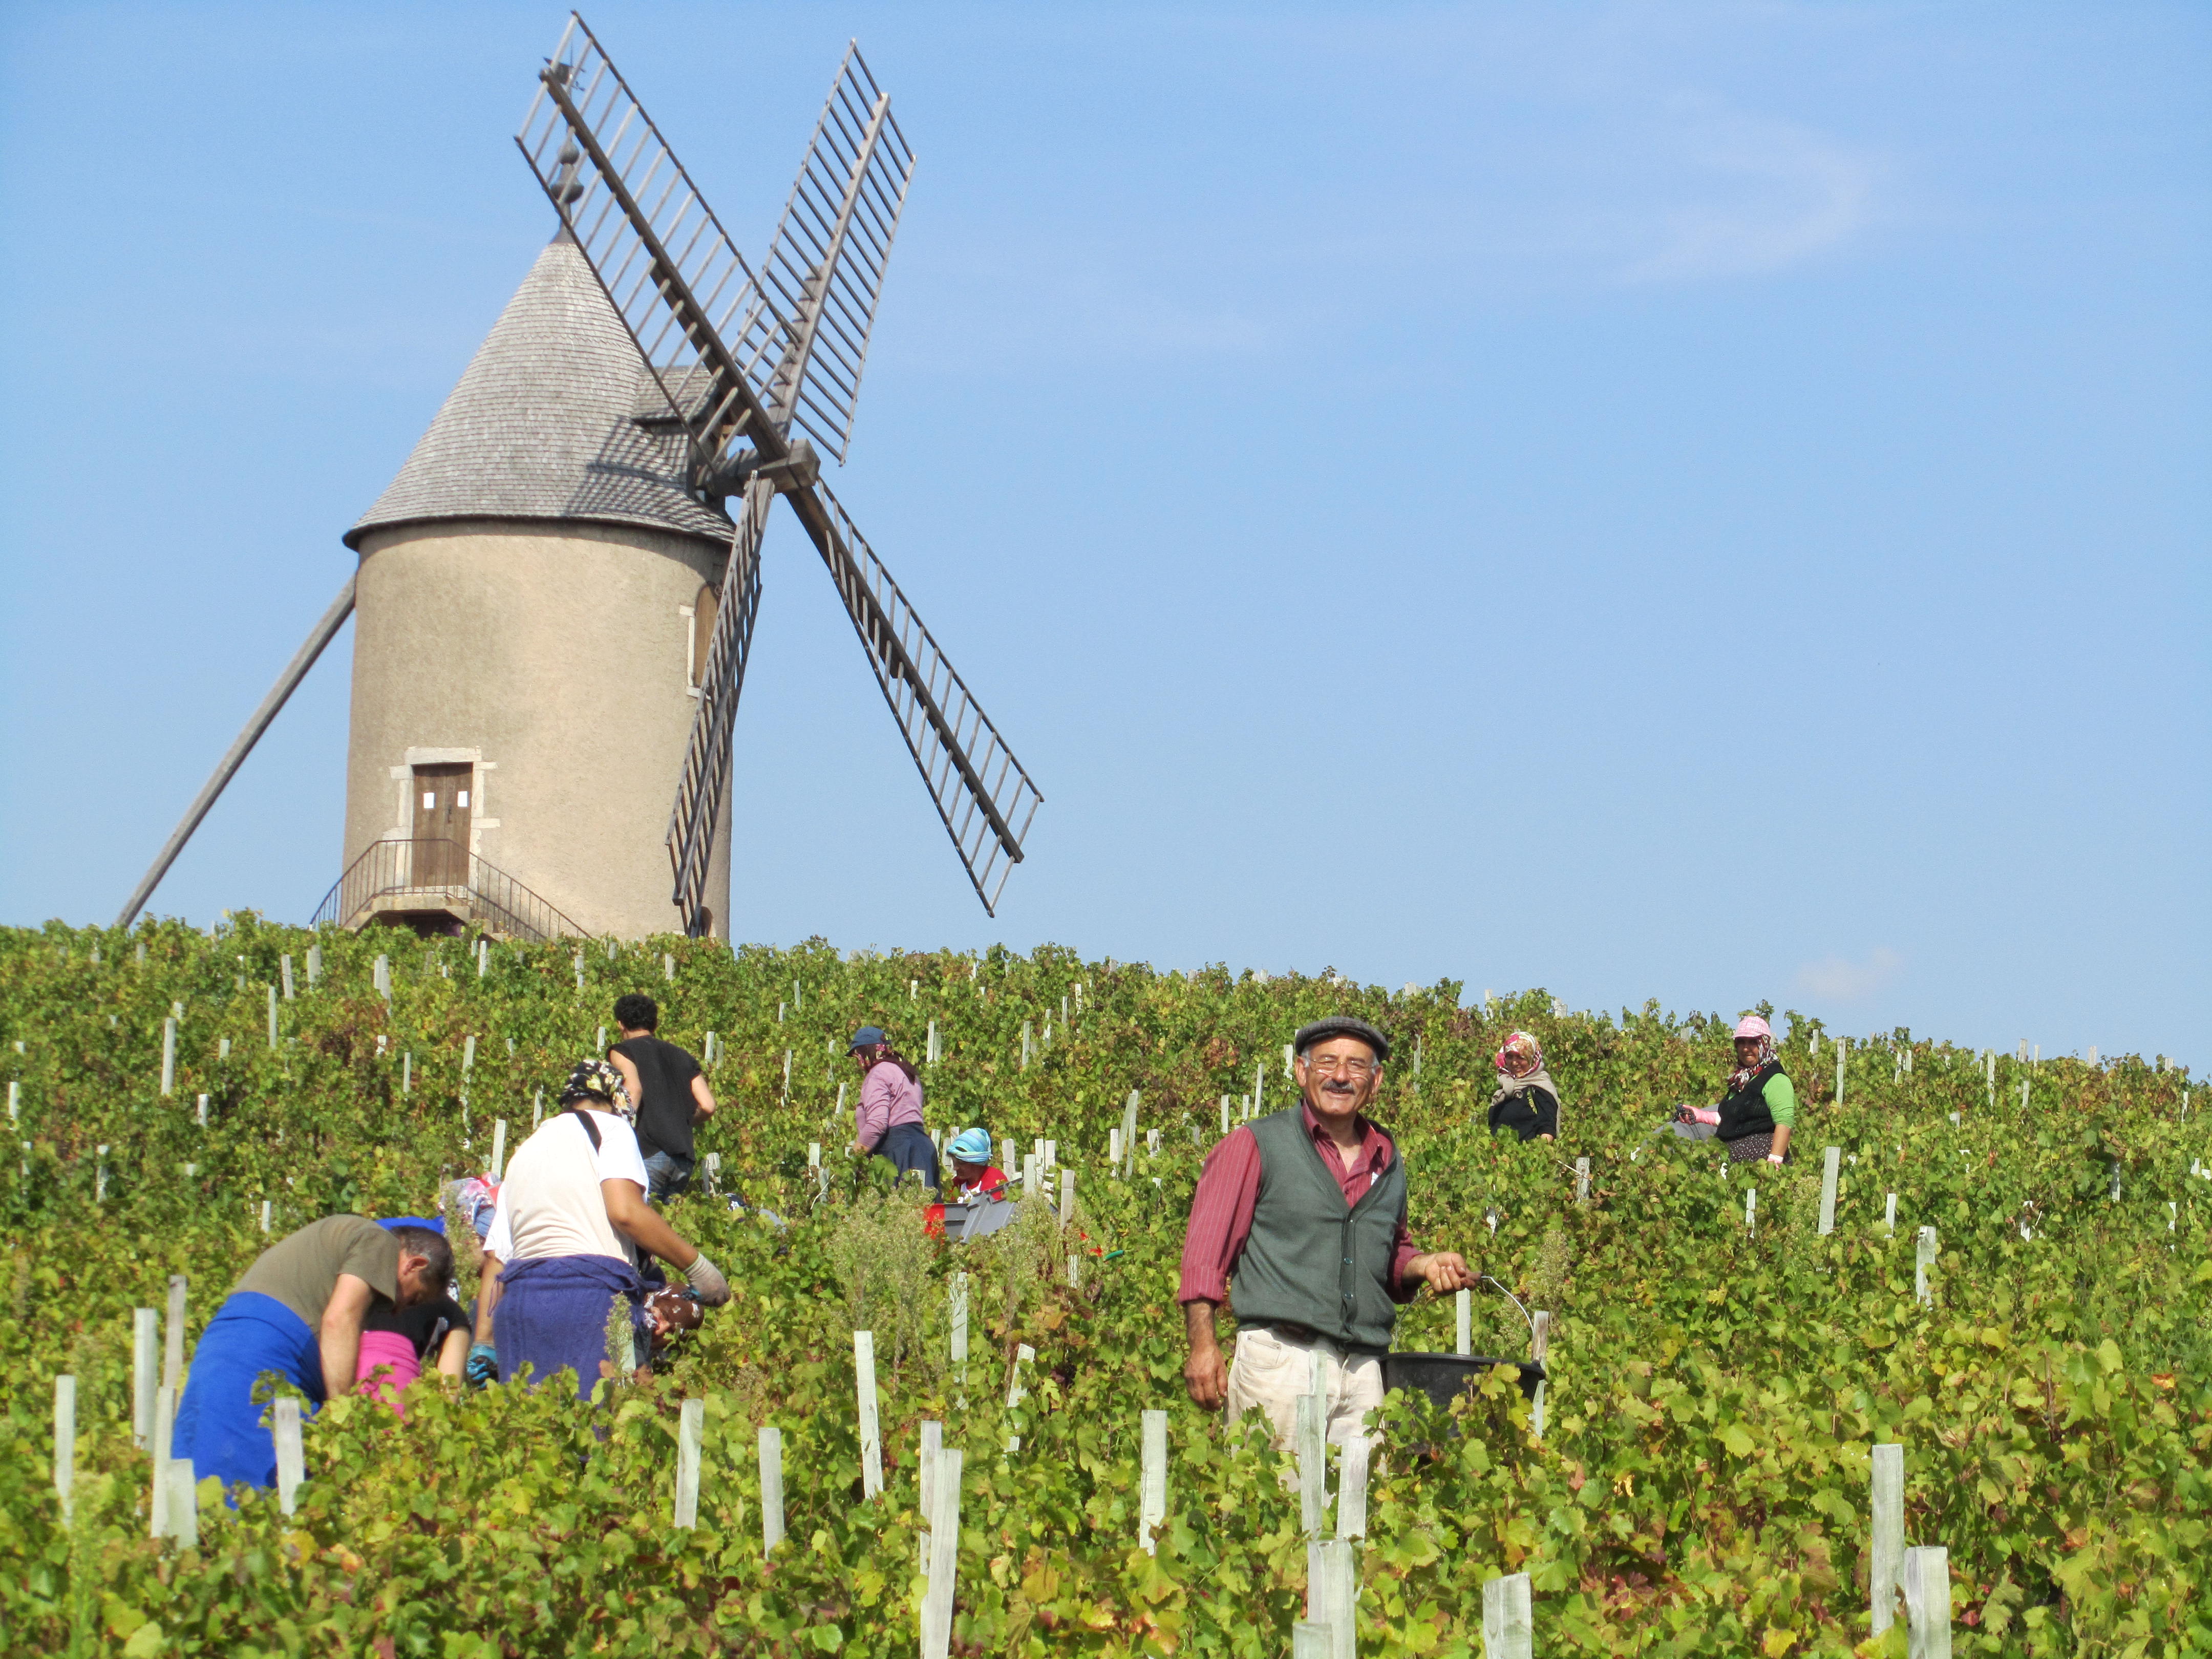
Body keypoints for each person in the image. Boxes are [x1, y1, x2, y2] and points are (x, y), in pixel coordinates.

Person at [1179, 1016, 1475, 1450]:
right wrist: (1202, 1345)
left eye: (1357, 1066)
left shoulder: (1387, 1159)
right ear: (1301, 1071)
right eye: (1327, 1063)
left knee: (1361, 1512)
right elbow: (1206, 1255)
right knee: (1274, 1505)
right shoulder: (1255, 1144)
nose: (1340, 1076)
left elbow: (1387, 1255)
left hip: (1364, 1372)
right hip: (1280, 1363)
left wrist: (1424, 1265)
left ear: (1375, 1082)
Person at [479, 1059, 732, 1397]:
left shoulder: (526, 1150)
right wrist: (698, 1268)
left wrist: (483, 1341)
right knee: (606, 1431)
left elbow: (497, 1258)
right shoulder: (610, 1129)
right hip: (588, 1300)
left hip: (521, 1306)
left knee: (535, 1435)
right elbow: (625, 1211)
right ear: (617, 1101)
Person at [172, 1215, 450, 1491]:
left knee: (204, 1472)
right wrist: (342, 1416)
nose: (400, 1310)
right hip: (262, 1351)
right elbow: (340, 1319)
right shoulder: (378, 1242)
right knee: (249, 1487)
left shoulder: (343, 1243)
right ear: (415, 1265)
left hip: (238, 1341)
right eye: (414, 1299)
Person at [606, 994, 715, 1203]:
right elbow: (708, 1106)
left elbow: (634, 1091)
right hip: (683, 1159)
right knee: (665, 1226)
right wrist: (680, 1123)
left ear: (621, 1024)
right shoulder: (683, 1056)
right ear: (655, 1023)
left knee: (634, 1224)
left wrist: (616, 1136)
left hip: (648, 1152)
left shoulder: (623, 1051)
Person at [1681, 1014, 1797, 1164]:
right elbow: (1733, 1118)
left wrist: (1774, 1162)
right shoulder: (1743, 1079)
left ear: (1764, 1044)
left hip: (1761, 1165)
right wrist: (1700, 1116)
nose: (1746, 1048)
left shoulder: (1775, 1078)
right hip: (1735, 1166)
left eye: (1753, 1043)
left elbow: (1784, 1122)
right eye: (1741, 1042)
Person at [355, 1282, 471, 1414]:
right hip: (398, 1379)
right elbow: (447, 1396)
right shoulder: (451, 1311)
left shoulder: (358, 1285)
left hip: (349, 1368)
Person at [848, 1026, 939, 1192]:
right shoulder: (907, 1071)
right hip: (923, 1147)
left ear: (867, 1052)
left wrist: (854, 1160)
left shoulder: (878, 1074)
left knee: (896, 1212)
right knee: (925, 1212)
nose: (858, 1063)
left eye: (858, 1056)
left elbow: (877, 1123)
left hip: (897, 1151)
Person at [1485, 1031, 1560, 1142]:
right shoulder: (1507, 1087)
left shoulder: (1539, 1088)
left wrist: (1537, 1155)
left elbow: (1547, 1129)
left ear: (1532, 1059)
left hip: (1524, 1157)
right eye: (1510, 1057)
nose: (1514, 1063)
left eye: (1521, 1057)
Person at [946, 1127, 1009, 1200]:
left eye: (961, 1163)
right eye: (954, 1162)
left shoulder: (994, 1181)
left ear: (977, 1162)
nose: (955, 1168)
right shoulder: (957, 1184)